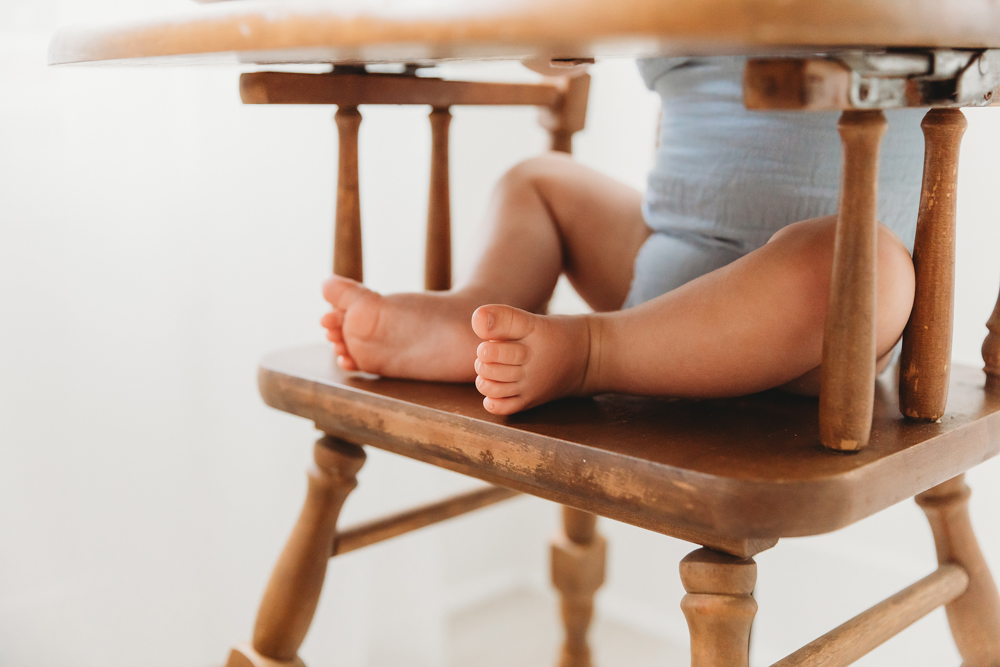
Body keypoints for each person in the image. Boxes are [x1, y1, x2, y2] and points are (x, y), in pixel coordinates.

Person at [320, 56, 926, 416]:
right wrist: (557, 39)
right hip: (659, 269)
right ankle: (471, 317)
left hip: (815, 329)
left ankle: (590, 353)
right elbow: (570, 40)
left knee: (872, 262)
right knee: (538, 180)